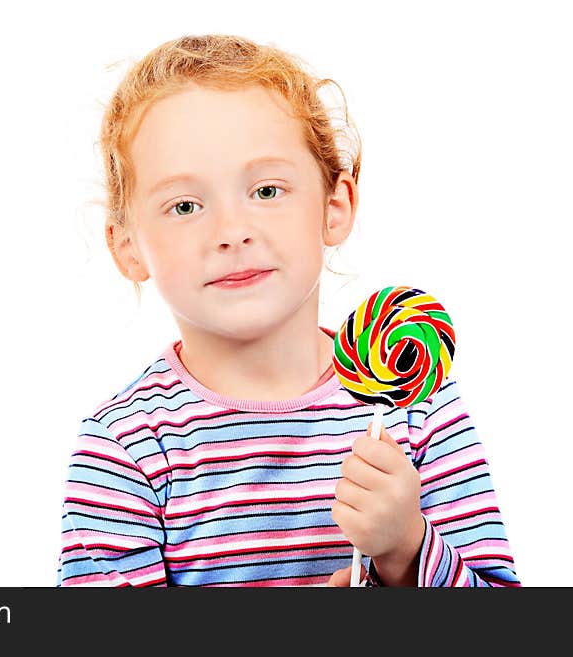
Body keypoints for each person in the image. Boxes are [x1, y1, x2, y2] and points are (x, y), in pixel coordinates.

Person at [56, 34, 519, 587]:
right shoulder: (125, 448)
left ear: (334, 205)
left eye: (267, 191)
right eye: (184, 206)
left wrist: (406, 548)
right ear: (127, 246)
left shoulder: (415, 409)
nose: (232, 232)